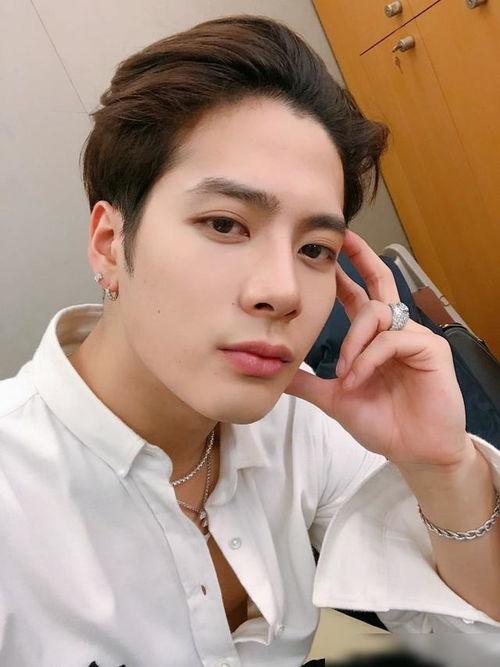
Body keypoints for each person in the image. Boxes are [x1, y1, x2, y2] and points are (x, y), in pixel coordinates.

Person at [0, 14, 499, 667]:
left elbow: (471, 646)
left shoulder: (298, 427)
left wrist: (443, 469)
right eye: (225, 223)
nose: (284, 291)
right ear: (110, 244)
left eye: (315, 248)